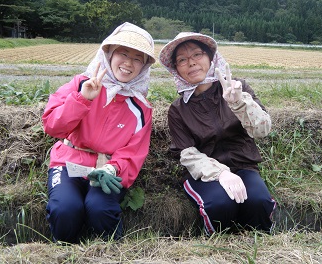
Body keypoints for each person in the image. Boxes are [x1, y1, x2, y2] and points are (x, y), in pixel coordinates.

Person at [42, 22, 155, 243]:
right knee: (65, 209)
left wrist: (113, 168)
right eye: (123, 53)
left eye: (137, 58)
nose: (128, 63)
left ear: (144, 67)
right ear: (109, 55)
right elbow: (52, 126)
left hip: (107, 169)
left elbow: (134, 152)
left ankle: (110, 251)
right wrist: (83, 99)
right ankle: (64, 250)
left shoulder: (141, 108)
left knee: (100, 208)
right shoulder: (80, 85)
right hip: (67, 164)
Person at [159, 32, 276, 235]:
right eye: (182, 60)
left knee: (258, 203)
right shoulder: (178, 109)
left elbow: (262, 130)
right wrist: (220, 173)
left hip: (243, 166)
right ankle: (217, 245)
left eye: (197, 55)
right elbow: (187, 154)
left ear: (210, 58)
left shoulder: (236, 89)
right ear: (176, 69)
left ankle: (258, 244)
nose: (191, 63)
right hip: (203, 175)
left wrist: (238, 103)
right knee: (221, 204)